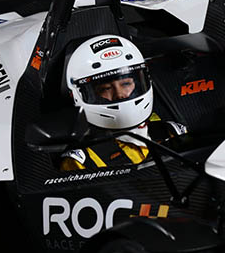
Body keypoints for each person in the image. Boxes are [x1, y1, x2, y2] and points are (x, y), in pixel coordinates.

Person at [60, 35, 186, 170]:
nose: (120, 94)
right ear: (79, 95)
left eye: (126, 84)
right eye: (106, 88)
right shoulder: (82, 161)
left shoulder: (173, 132)